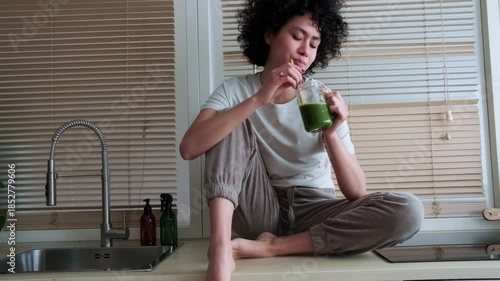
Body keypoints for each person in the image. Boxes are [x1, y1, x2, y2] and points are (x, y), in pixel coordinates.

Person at [180, 0, 425, 280]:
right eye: (297, 36)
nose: (304, 50)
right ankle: (221, 247)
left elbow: (356, 191)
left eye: (313, 43)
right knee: (228, 122)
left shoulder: (320, 97)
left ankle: (273, 247)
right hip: (261, 208)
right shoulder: (235, 90)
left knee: (409, 211)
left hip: (316, 209)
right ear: (270, 34)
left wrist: (332, 134)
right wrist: (260, 98)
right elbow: (189, 148)